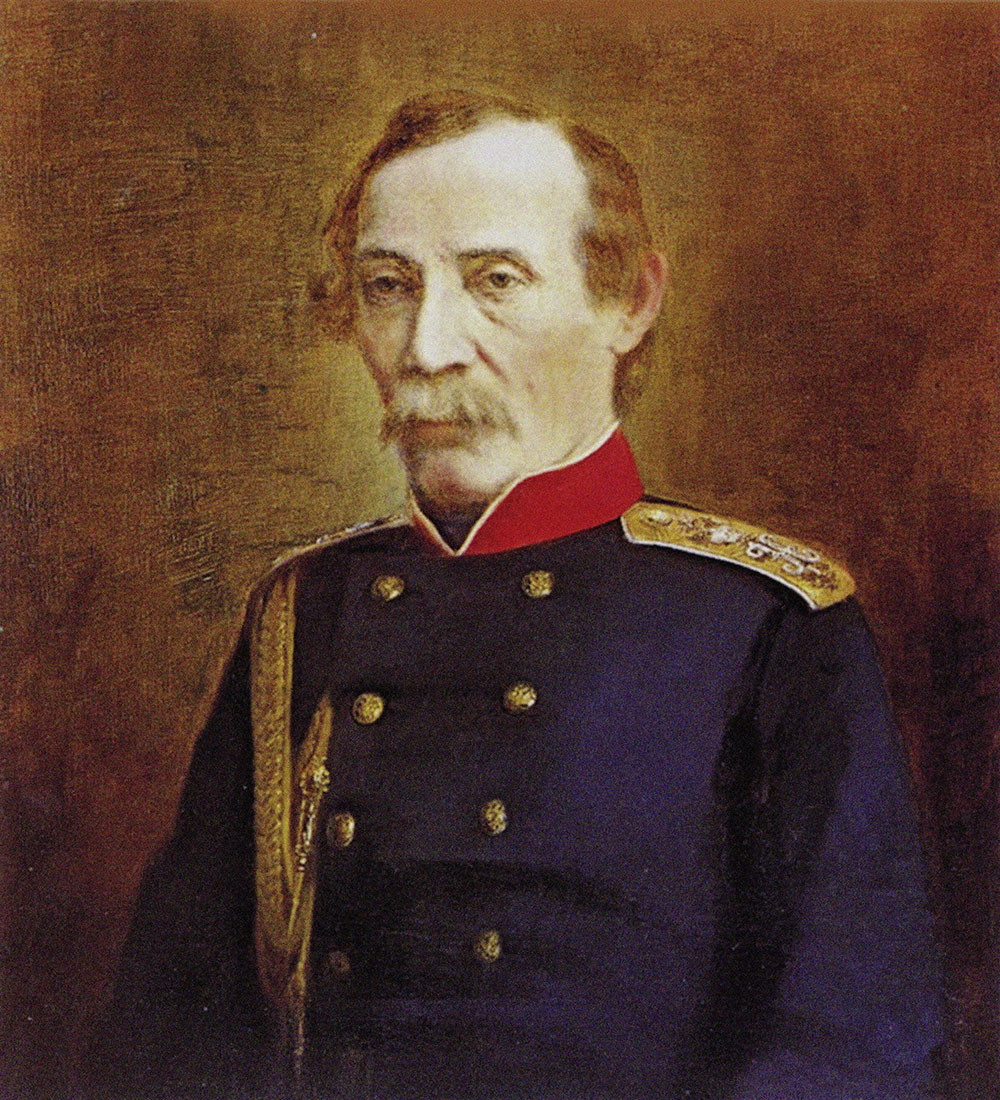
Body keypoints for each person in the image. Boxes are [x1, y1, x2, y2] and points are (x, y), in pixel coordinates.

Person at [95, 91, 945, 1100]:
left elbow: (856, 1049)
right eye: (387, 286)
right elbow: (169, 1036)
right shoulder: (303, 609)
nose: (427, 348)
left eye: (494, 280)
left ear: (629, 302)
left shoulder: (766, 623)